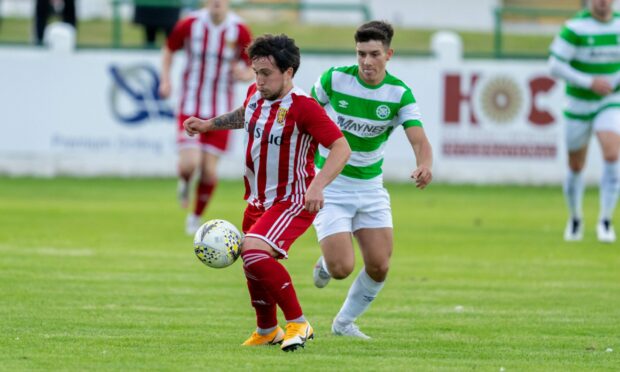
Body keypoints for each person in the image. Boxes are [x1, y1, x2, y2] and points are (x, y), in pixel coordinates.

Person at [184, 34, 351, 351]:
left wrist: (318, 184)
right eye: (256, 72)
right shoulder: (255, 94)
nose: (258, 80)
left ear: (288, 72)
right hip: (258, 199)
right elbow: (244, 114)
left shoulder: (305, 108)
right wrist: (208, 125)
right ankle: (266, 330)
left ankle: (299, 324)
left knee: (254, 252)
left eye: (266, 73)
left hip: (292, 200)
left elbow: (341, 147)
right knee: (252, 263)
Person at [310, 20, 433, 339]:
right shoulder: (335, 79)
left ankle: (343, 324)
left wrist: (425, 164)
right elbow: (305, 115)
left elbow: (419, 139)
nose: (366, 61)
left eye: (374, 54)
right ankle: (325, 264)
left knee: (379, 265)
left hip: (370, 187)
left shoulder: (398, 93)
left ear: (388, 54)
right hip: (331, 185)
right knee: (341, 269)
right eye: (361, 53)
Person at [159, 0, 254, 235]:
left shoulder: (239, 30)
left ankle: (195, 216)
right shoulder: (190, 24)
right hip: (190, 104)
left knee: (210, 171)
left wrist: (244, 74)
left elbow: (253, 65)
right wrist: (166, 79)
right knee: (191, 163)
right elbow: (169, 48)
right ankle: (184, 180)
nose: (216, 2)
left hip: (221, 110)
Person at [549, 0, 619, 243]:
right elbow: (555, 65)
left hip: (610, 101)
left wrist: (613, 80)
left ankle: (606, 220)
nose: (602, 2)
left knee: (612, 154)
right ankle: (575, 217)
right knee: (576, 165)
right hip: (578, 104)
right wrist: (589, 82)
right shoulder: (575, 28)